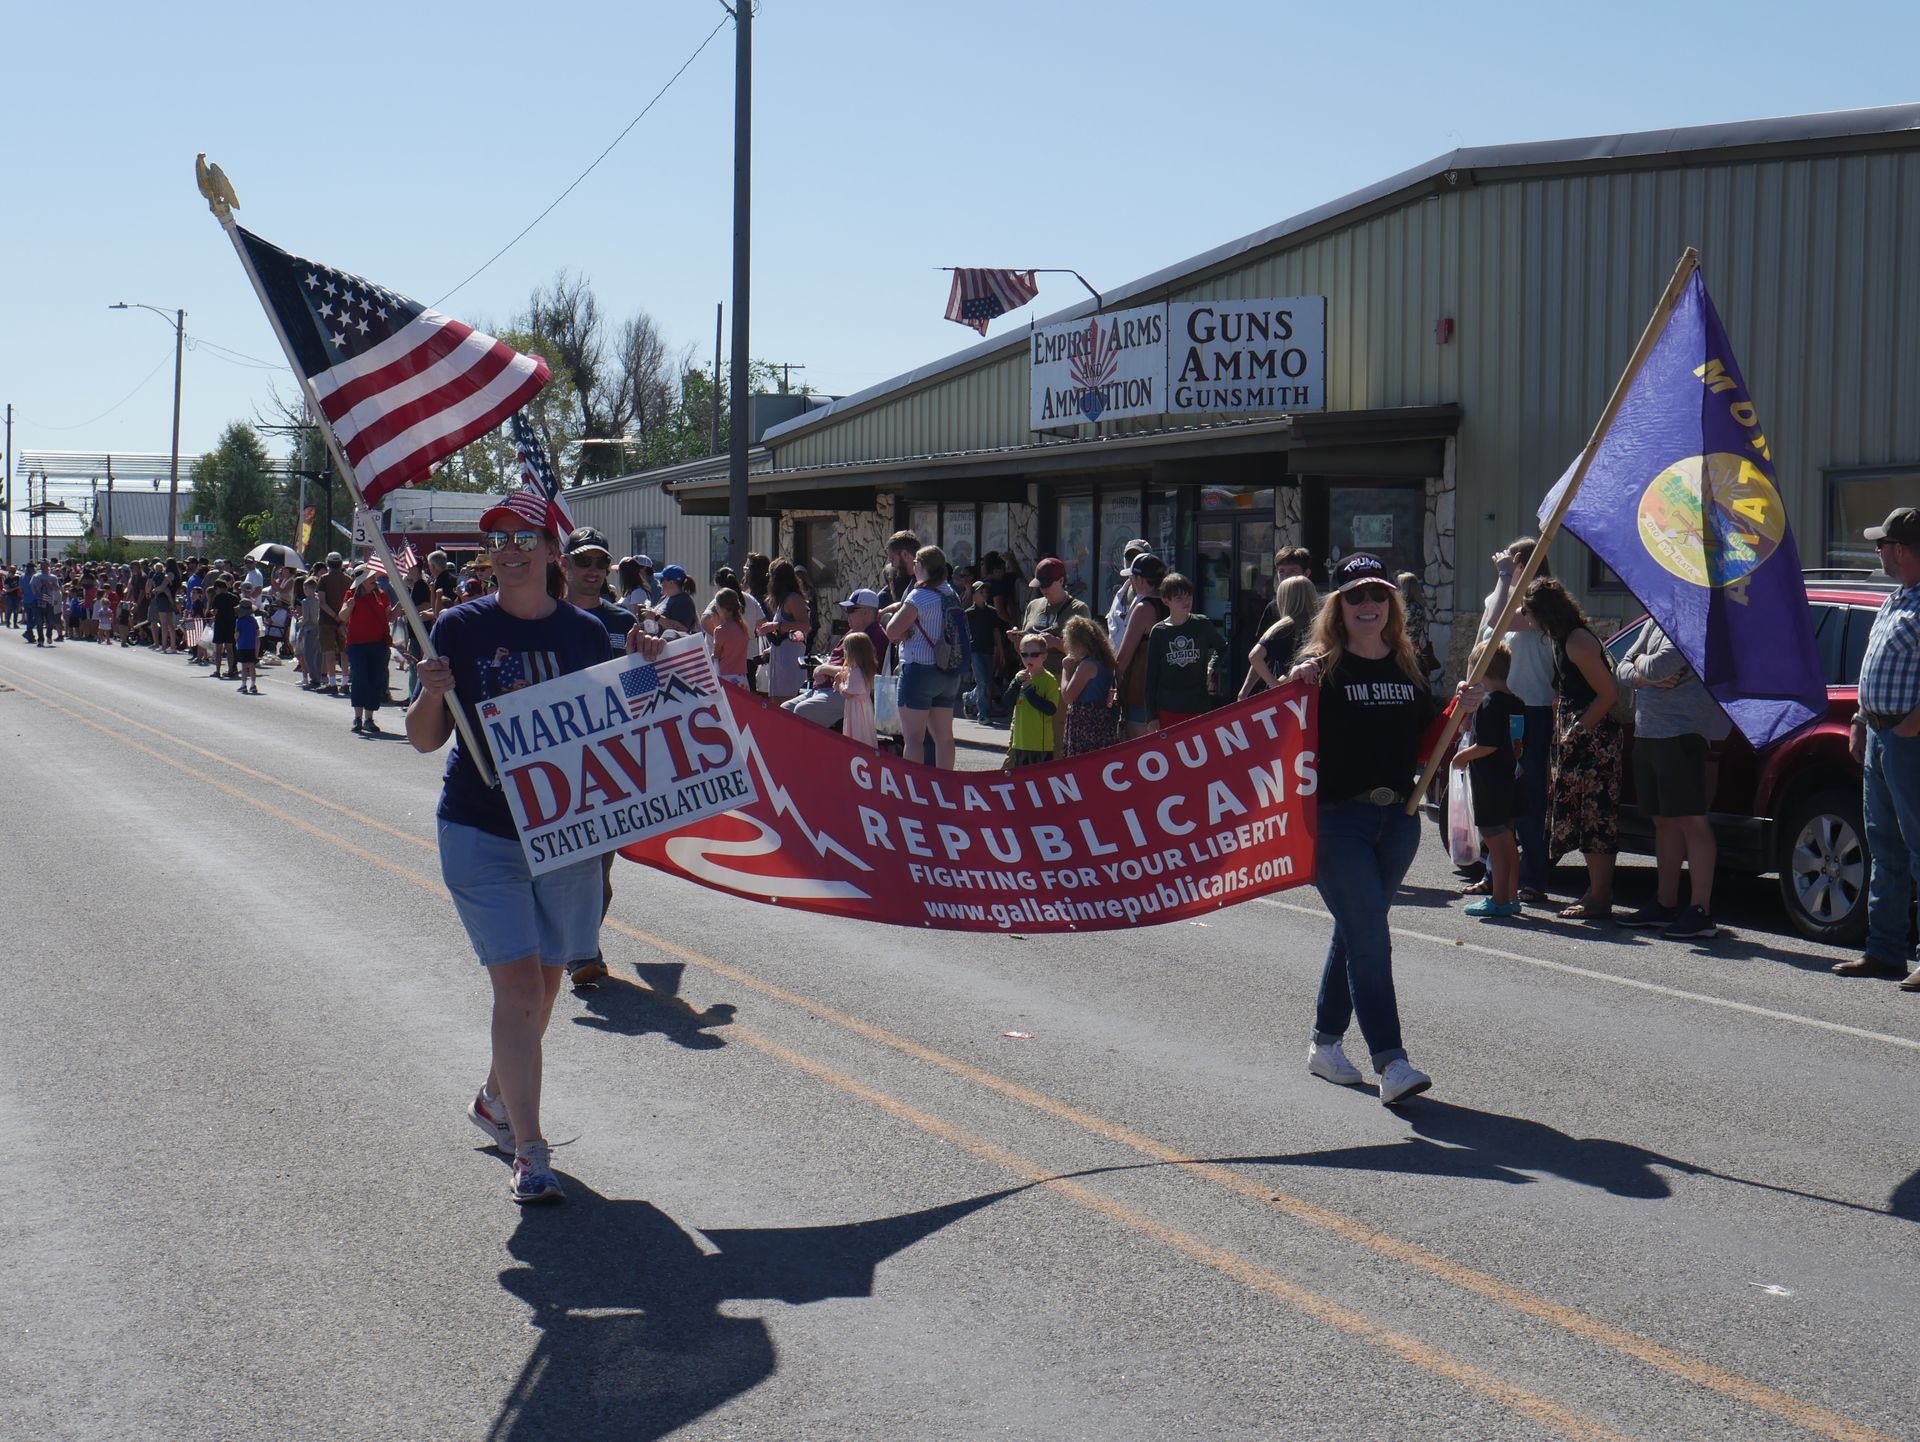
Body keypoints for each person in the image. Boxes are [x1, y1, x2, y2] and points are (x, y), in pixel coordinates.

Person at [409, 492, 657, 1205]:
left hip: (564, 835)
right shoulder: (458, 626)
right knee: (517, 987)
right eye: (499, 540)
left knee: (545, 989)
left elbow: (631, 721)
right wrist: (431, 693)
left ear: (552, 551)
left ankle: (495, 1095)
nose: (511, 550)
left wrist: (648, 661)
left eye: (525, 537)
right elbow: (426, 738)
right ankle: (530, 1148)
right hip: (480, 827)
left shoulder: (587, 633)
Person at [1286, 552, 1439, 1105]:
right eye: (1355, 596)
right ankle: (1391, 1062)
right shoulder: (1318, 670)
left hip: (1397, 821)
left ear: (1391, 605)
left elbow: (1423, 743)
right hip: (1336, 821)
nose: (1368, 604)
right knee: (1371, 936)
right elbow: (1279, 732)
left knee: (1354, 931)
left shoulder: (1406, 665)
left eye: (1378, 595)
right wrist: (1293, 683)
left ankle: (1325, 1047)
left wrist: (1459, 711)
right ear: (1338, 607)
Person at [1836, 506, 1920, 987]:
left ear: (1903, 550)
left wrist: (1911, 725)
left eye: (1882, 544)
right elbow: (1873, 669)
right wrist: (1860, 720)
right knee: (1884, 847)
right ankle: (1885, 951)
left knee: (1918, 847)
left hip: (1910, 742)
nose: (1878, 551)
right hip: (1881, 736)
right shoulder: (1896, 599)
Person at [1614, 620, 1727, 939]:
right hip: (1648, 732)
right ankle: (1665, 904)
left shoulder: (1693, 624)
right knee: (1663, 820)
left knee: (1692, 820)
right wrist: (1641, 674)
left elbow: (1661, 664)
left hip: (1682, 734)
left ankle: (1700, 911)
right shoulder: (1655, 620)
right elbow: (1620, 666)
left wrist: (1641, 670)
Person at [1524, 576, 1624, 920]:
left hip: (1592, 741)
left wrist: (1579, 729)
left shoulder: (1577, 642)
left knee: (1596, 818)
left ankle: (1599, 896)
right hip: (1576, 734)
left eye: (1531, 612)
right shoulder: (1561, 638)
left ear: (1546, 613)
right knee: (1583, 818)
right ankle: (1595, 892)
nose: (1528, 618)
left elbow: (1608, 694)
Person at [1479, 538, 1556, 903]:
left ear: (1526, 563)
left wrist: (1506, 576)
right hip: (1496, 705)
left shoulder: (1543, 609)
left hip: (1532, 711)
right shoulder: (1504, 595)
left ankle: (1533, 876)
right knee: (1494, 795)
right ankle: (1493, 874)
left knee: (1527, 796)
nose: (1505, 567)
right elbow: (1485, 634)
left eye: (1513, 562)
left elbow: (1499, 620)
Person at [1451, 640, 1522, 918]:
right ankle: (1512, 895)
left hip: (1491, 782)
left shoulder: (1490, 703)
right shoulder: (1516, 701)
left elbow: (1489, 744)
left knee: (1496, 841)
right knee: (1508, 841)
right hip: (1510, 778)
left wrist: (1463, 757)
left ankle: (1500, 899)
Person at [883, 545, 966, 769]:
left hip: (920, 670)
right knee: (944, 737)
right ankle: (945, 786)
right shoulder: (951, 593)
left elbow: (891, 631)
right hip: (948, 671)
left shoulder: (920, 595)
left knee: (913, 739)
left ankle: (915, 789)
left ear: (922, 567)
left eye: (916, 564)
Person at [783, 589, 886, 730]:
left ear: (866, 612)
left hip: (851, 693)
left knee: (802, 712)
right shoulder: (854, 631)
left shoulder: (873, 636)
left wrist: (824, 669)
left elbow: (859, 673)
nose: (847, 614)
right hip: (829, 688)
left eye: (851, 609)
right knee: (784, 710)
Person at [1143, 573, 1224, 730]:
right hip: (1167, 708)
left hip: (1197, 705)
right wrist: (1151, 716)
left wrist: (1211, 666)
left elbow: (1222, 647)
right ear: (1166, 601)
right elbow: (1151, 677)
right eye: (1179, 598)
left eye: (1188, 596)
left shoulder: (1202, 624)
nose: (1186, 601)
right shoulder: (1159, 632)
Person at [1113, 553, 1169, 739]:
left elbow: (1123, 658)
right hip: (1169, 691)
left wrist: (1115, 686)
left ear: (1140, 579)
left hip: (1143, 692)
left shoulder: (1144, 608)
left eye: (1132, 577)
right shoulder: (1173, 603)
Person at [1240, 574, 1320, 698]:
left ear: (1284, 599)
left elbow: (1255, 656)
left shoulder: (1284, 626)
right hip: (1315, 693)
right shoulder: (1322, 624)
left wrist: (1275, 686)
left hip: (1291, 697)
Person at [559, 527, 634, 657]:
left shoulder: (625, 621)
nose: (593, 570)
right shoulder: (546, 618)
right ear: (565, 564)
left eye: (601, 563)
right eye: (583, 561)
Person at [1015, 557, 1092, 679]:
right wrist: (1017, 640)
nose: (1043, 589)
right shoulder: (1033, 605)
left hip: (1061, 679)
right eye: (1040, 585)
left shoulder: (1078, 609)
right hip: (1032, 678)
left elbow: (1085, 653)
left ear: (1061, 581)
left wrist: (1056, 643)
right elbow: (1022, 651)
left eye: (1047, 585)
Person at [341, 564, 393, 734]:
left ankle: (369, 719)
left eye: (373, 577)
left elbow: (389, 616)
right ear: (361, 581)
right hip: (356, 644)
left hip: (378, 643)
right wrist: (348, 607)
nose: (374, 579)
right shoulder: (351, 595)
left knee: (375, 679)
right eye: (370, 577)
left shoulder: (381, 595)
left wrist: (402, 605)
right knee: (359, 677)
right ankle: (357, 718)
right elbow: (342, 616)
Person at [1060, 615, 1121, 757]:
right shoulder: (1105, 661)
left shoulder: (1088, 665)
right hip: (1100, 719)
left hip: (1085, 721)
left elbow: (1068, 696)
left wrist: (1066, 669)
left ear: (1079, 643)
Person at [1002, 632, 1060, 768]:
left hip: (1039, 745)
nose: (1029, 658)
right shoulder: (1020, 676)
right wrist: (1016, 683)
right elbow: (1006, 703)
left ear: (1044, 656)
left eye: (1034, 655)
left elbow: (1050, 709)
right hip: (1020, 742)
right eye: (1024, 654)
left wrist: (1029, 691)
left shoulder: (1049, 680)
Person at [759, 559, 810, 703]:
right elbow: (791, 634)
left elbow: (805, 626)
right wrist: (771, 648)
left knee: (787, 706)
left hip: (790, 665)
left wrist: (775, 626)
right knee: (777, 705)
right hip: (780, 662)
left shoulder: (793, 599)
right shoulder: (783, 601)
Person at [964, 581, 1003, 724]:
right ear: (974, 595)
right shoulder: (969, 613)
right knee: (982, 682)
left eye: (985, 592)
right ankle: (983, 714)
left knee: (987, 682)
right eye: (981, 592)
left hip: (989, 650)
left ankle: (969, 697)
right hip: (975, 651)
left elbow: (996, 632)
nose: (984, 594)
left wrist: (1000, 650)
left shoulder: (992, 612)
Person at [1105, 538, 1151, 650]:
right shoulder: (1120, 593)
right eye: (1129, 557)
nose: (1133, 561)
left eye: (1138, 557)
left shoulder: (1155, 594)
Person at [703, 587, 752, 688]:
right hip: (742, 678)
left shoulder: (720, 630)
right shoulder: (743, 627)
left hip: (726, 679)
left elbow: (716, 656)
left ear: (722, 608)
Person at [837, 630, 879, 748]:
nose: (844, 654)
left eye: (846, 650)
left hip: (856, 710)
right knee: (865, 732)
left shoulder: (856, 672)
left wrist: (839, 683)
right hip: (863, 706)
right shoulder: (864, 669)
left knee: (858, 733)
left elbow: (848, 693)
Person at [318, 553, 350, 694]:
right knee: (344, 652)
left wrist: (335, 617)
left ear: (328, 563)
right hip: (345, 620)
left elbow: (322, 603)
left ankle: (332, 683)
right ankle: (344, 682)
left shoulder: (324, 579)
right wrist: (342, 618)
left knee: (329, 652)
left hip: (327, 620)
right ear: (341, 563)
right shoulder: (348, 580)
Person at [876, 530, 919, 607]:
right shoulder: (899, 579)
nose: (892, 565)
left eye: (892, 559)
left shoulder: (925, 580)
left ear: (905, 554)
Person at [657, 565, 698, 634]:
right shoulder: (665, 598)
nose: (659, 584)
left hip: (674, 644)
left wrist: (656, 617)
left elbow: (682, 629)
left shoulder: (683, 602)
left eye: (661, 580)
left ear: (671, 582)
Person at [234, 598, 262, 695]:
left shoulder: (239, 621)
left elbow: (237, 634)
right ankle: (253, 685)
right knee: (252, 665)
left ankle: (243, 685)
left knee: (244, 666)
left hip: (242, 646)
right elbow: (258, 632)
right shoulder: (253, 620)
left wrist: (235, 639)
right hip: (252, 646)